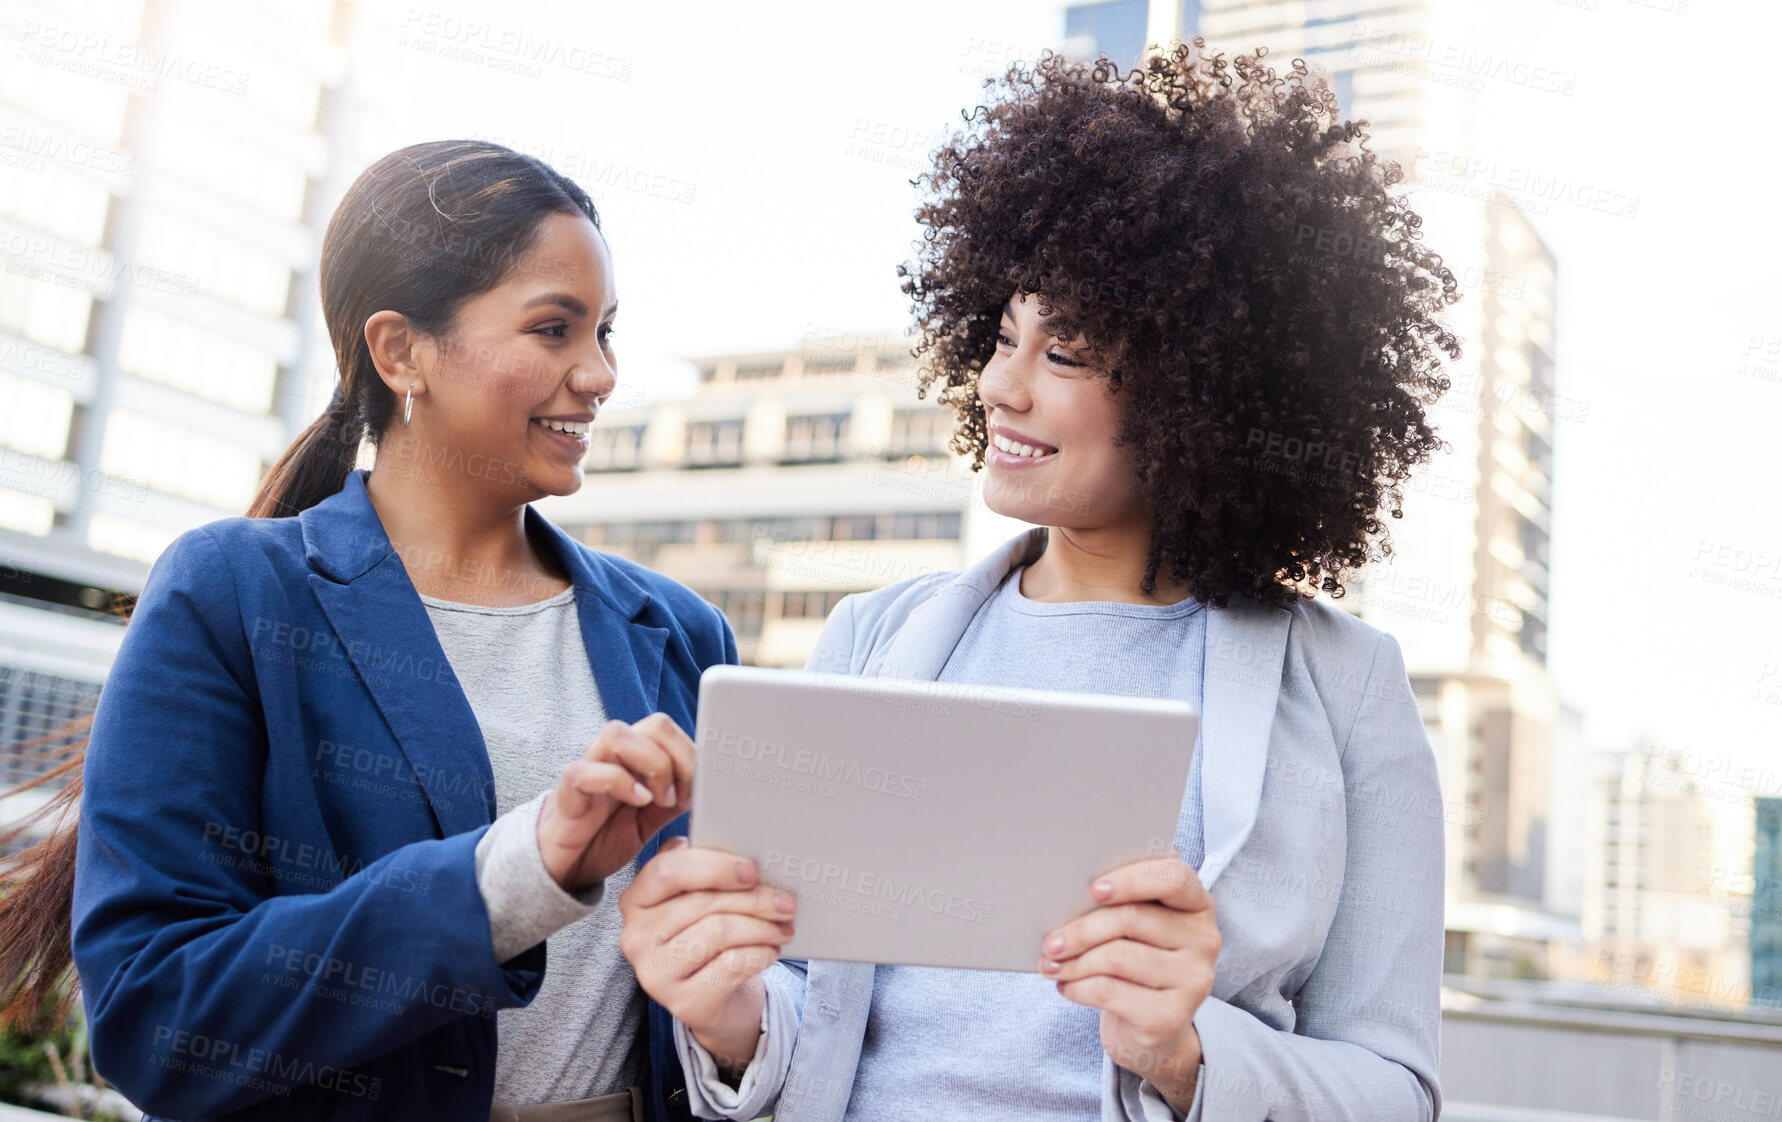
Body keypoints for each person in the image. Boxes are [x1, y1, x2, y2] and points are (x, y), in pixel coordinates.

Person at [619, 42, 1458, 1122]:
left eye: (1066, 354)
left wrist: (1186, 1055)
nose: (1001, 386)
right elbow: (804, 1022)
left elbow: (1396, 1090)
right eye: (1004, 335)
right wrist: (724, 1010)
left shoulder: (1347, 686)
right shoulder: (875, 638)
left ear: (1199, 388)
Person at [1, 139, 735, 1122]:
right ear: (400, 352)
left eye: (604, 331)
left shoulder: (682, 634)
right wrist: (517, 873)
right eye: (554, 329)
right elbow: (156, 1016)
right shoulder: (233, 594)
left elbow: (741, 994)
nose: (599, 373)